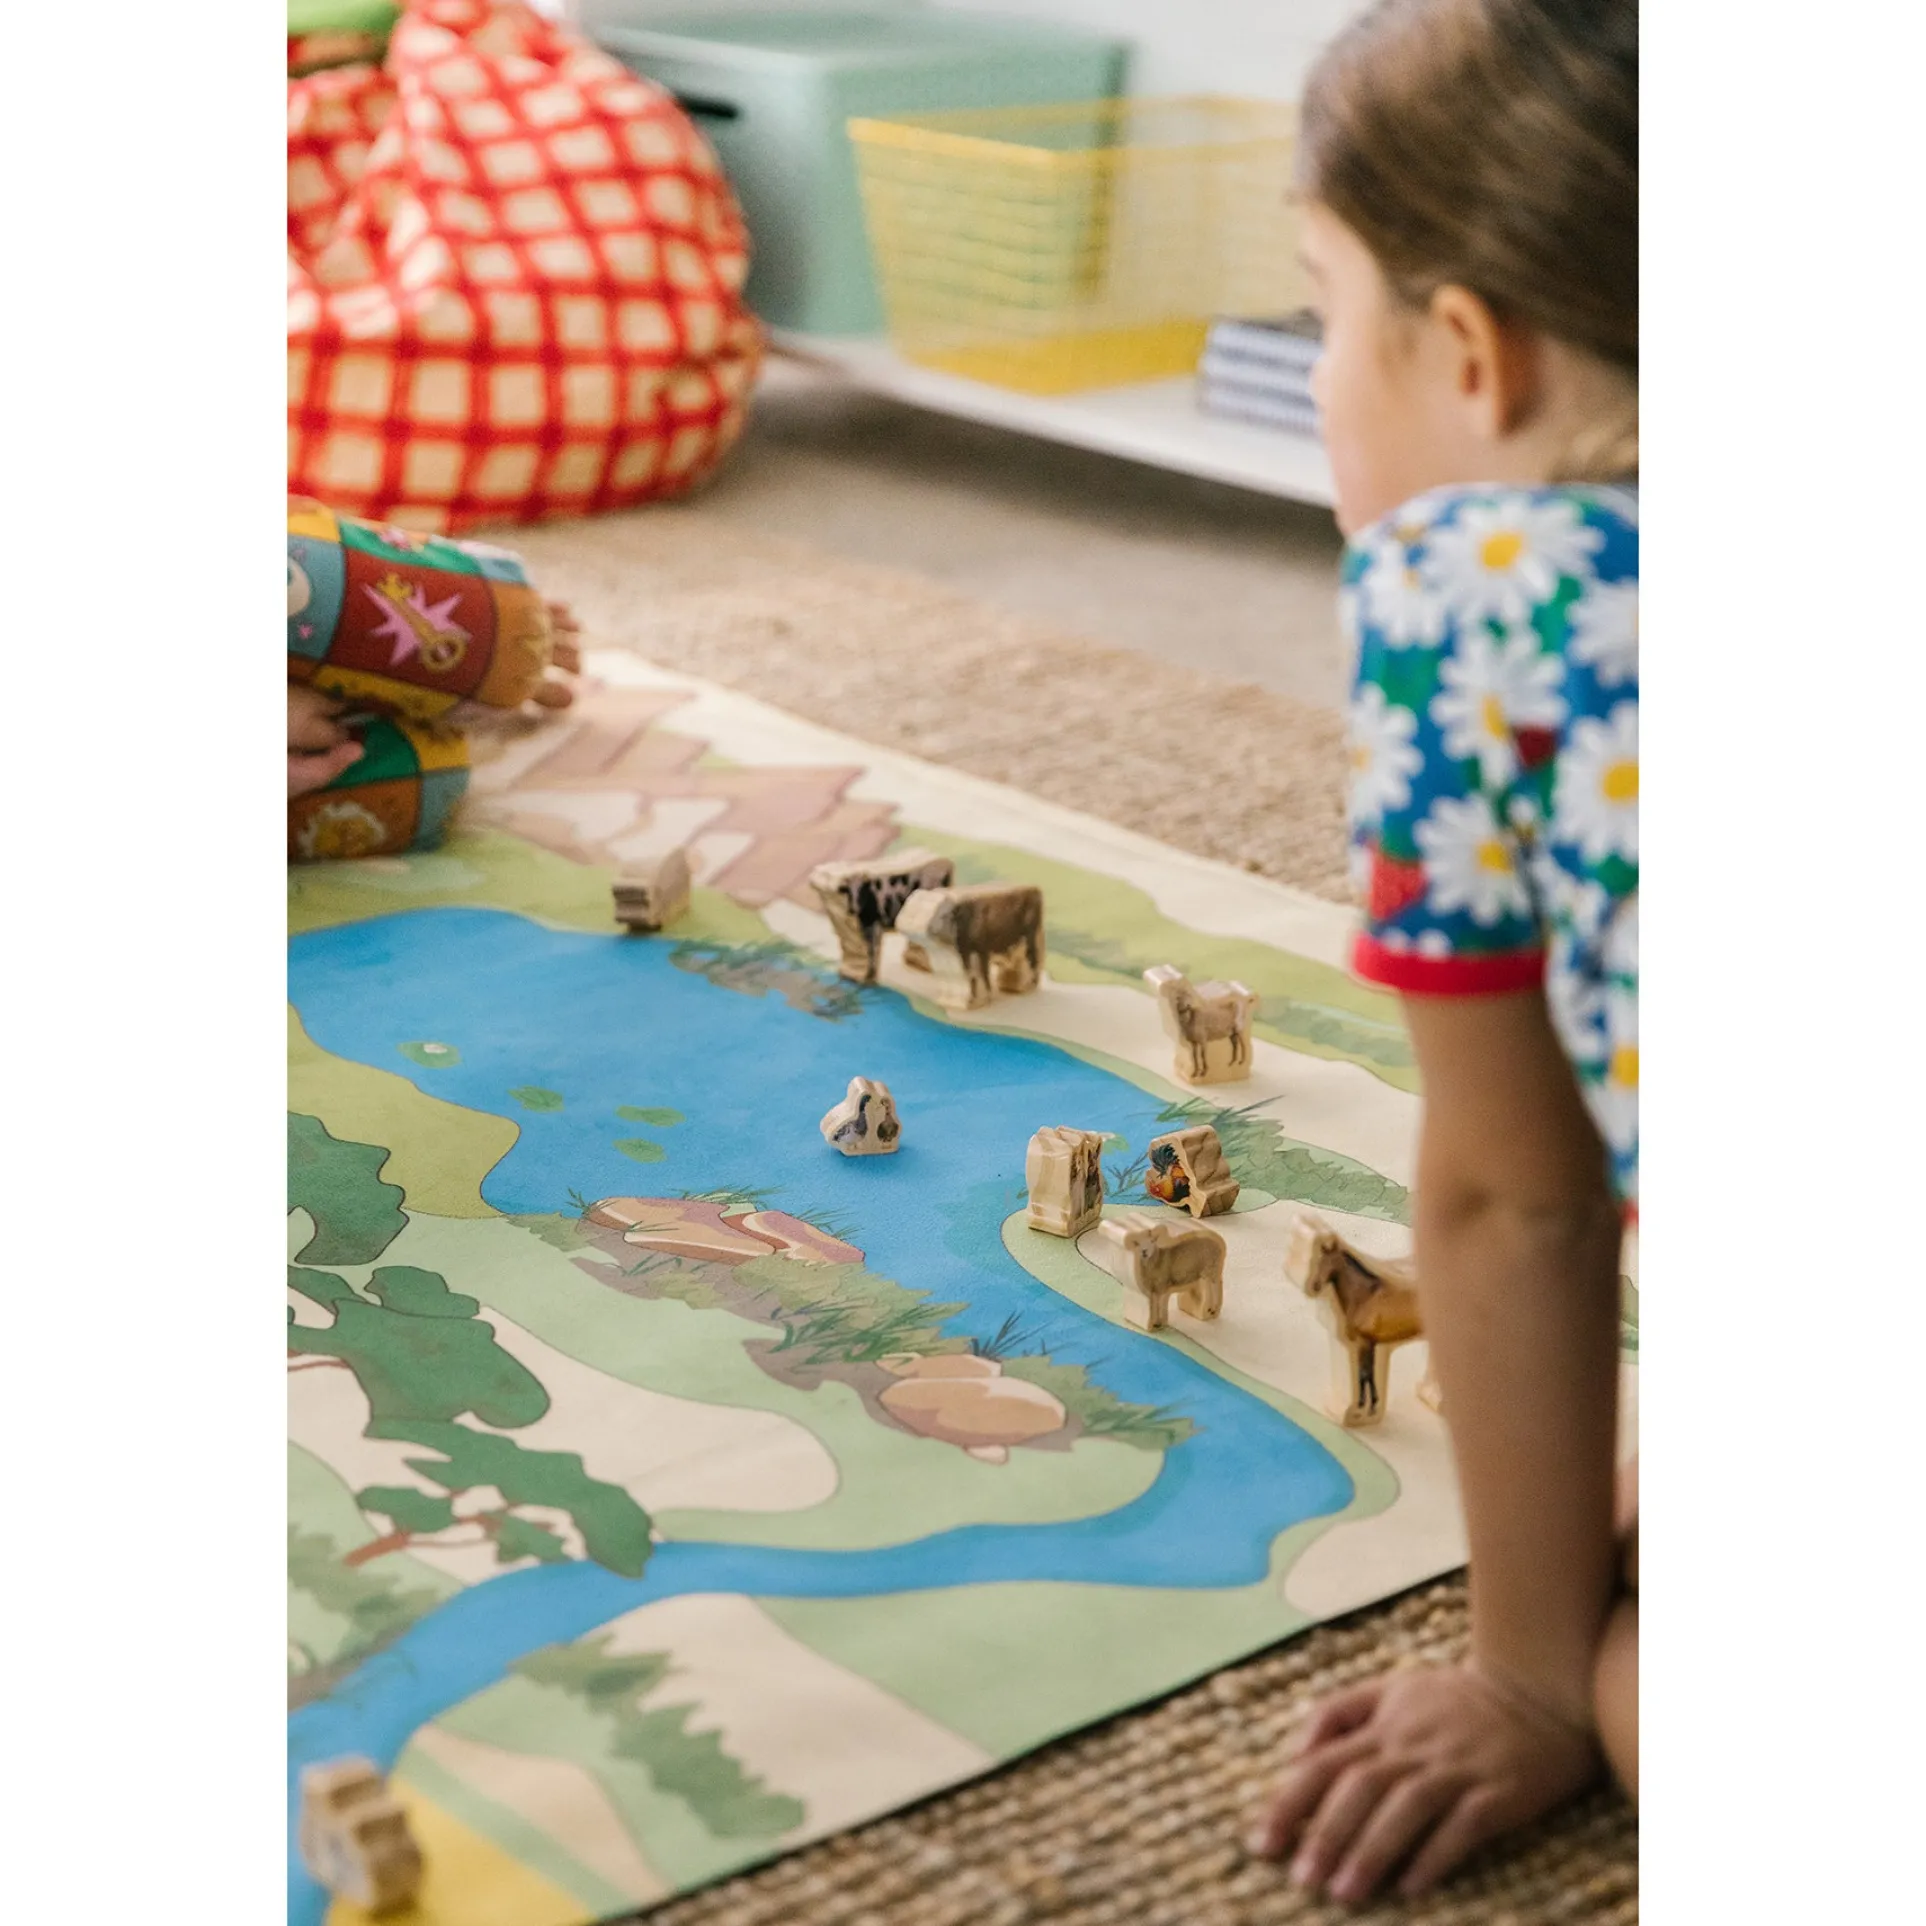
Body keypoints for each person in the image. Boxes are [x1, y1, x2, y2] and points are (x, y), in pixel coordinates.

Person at [1246, 0, 1638, 1901]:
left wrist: (1534, 1676)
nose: (1319, 368)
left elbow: (1511, 1197)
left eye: (1320, 311)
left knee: (1641, 1679)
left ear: (1473, 354)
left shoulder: (1473, 588)